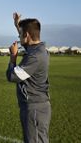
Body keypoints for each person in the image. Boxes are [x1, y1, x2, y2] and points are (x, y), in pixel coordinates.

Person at [6, 13, 51, 143]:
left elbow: (12, 76)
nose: (19, 38)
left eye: (20, 35)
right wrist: (18, 25)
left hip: (35, 107)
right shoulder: (38, 49)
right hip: (35, 105)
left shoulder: (35, 56)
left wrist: (13, 57)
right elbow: (26, 41)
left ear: (26, 35)